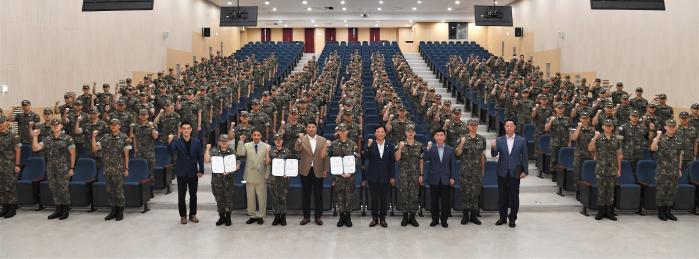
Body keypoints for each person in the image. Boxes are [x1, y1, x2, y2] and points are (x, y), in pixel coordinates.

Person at [31, 118, 76, 220]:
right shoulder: (47, 139)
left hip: (63, 169)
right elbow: (35, 148)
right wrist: (34, 137)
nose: (55, 126)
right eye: (53, 125)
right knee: (54, 189)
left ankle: (65, 209)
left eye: (57, 124)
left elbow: (73, 154)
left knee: (63, 189)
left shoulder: (67, 138)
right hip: (51, 169)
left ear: (61, 126)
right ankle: (58, 209)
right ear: (51, 127)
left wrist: (72, 168)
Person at [92, 118, 132, 221]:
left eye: (115, 124)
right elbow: (95, 149)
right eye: (111, 125)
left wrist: (126, 168)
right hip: (107, 168)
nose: (113, 126)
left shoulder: (124, 138)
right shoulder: (105, 137)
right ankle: (113, 210)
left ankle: (120, 211)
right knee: (109, 191)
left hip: (119, 169)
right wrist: (93, 137)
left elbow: (126, 155)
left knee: (118, 191)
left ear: (119, 125)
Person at [490, 120, 528, 228]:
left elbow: (525, 156)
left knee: (514, 197)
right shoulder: (500, 139)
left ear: (515, 127)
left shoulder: (521, 140)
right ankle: (502, 218)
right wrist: (493, 146)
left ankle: (512, 219)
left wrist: (525, 171)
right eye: (507, 126)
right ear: (504, 127)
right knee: (502, 196)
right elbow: (493, 154)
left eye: (511, 125)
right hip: (502, 171)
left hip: (515, 172)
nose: (509, 127)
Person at [167, 121, 204, 225]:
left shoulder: (197, 142)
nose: (186, 130)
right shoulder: (177, 142)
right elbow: (171, 151)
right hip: (181, 172)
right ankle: (183, 216)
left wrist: (201, 169)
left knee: (193, 195)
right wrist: (169, 142)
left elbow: (200, 157)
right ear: (181, 130)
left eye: (188, 128)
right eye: (184, 128)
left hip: (193, 172)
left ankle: (193, 215)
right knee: (181, 195)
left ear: (191, 129)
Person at [294, 122, 330, 226]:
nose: (311, 129)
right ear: (306, 128)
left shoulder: (322, 140)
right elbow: (296, 149)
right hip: (305, 170)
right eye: (309, 127)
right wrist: (299, 139)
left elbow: (326, 156)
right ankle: (306, 217)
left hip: (318, 170)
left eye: (313, 127)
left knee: (318, 195)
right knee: (306, 194)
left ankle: (318, 217)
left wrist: (325, 170)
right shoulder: (302, 139)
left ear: (316, 128)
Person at [587, 119, 622, 221]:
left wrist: (619, 169)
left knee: (610, 191)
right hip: (601, 169)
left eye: (610, 126)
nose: (608, 127)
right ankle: (601, 212)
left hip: (612, 169)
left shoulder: (616, 139)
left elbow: (619, 155)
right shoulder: (598, 138)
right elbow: (590, 148)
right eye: (606, 125)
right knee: (601, 191)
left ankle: (609, 212)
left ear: (612, 127)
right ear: (602, 127)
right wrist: (594, 138)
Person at [650, 119, 683, 221]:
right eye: (669, 126)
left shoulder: (678, 139)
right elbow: (652, 148)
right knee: (662, 191)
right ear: (665, 127)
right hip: (662, 170)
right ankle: (661, 211)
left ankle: (668, 211)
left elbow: (680, 155)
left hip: (674, 170)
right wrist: (658, 136)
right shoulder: (660, 138)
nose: (671, 128)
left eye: (673, 126)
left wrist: (679, 168)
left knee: (671, 191)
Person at [454, 119, 486, 225]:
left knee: (475, 193)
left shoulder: (482, 139)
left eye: (475, 125)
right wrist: (462, 143)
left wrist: (483, 169)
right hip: (465, 171)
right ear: (467, 126)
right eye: (471, 125)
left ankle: (473, 216)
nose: (473, 127)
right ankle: (465, 215)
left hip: (477, 171)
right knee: (465, 193)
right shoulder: (462, 138)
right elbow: (457, 154)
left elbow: (482, 155)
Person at [236, 129, 271, 225]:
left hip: (261, 175)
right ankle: (252, 215)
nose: (256, 137)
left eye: (258, 135)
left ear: (261, 136)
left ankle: (260, 215)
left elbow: (268, 163)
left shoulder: (267, 146)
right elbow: (240, 153)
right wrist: (241, 141)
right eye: (254, 135)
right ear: (251, 136)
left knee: (262, 197)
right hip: (250, 174)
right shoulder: (246, 145)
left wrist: (267, 175)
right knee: (250, 197)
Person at [424, 129, 457, 228]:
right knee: (434, 201)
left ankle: (444, 220)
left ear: (445, 137)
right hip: (434, 178)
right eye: (437, 135)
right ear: (434, 137)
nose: (439, 137)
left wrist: (452, 177)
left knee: (445, 202)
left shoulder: (450, 150)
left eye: (441, 135)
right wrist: (427, 149)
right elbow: (425, 158)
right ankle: (434, 220)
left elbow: (453, 165)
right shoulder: (431, 149)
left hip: (446, 179)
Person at [204, 134, 239, 227]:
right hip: (217, 181)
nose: (224, 143)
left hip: (228, 180)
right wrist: (207, 149)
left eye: (226, 141)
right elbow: (206, 160)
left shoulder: (232, 152)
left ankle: (228, 217)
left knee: (229, 199)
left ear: (228, 142)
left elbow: (238, 163)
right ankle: (221, 217)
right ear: (219, 142)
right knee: (219, 199)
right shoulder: (214, 151)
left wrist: (233, 169)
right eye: (222, 141)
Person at [329, 124, 359, 227]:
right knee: (340, 196)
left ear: (347, 131)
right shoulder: (333, 144)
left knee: (349, 196)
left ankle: (348, 217)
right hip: (338, 176)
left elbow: (356, 158)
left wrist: (350, 171)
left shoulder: (353, 144)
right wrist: (338, 172)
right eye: (340, 130)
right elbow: (330, 158)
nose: (342, 132)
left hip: (350, 175)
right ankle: (342, 217)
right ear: (338, 132)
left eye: (344, 130)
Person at [394, 124, 423, 227]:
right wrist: (400, 148)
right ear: (405, 133)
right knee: (405, 195)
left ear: (414, 133)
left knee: (414, 195)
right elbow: (397, 159)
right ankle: (405, 216)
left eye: (412, 131)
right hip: (404, 174)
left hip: (415, 174)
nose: (410, 133)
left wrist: (421, 174)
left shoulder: (419, 145)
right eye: (408, 131)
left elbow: (421, 161)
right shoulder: (400, 144)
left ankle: (413, 217)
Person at [268, 133, 293, 226]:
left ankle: (283, 217)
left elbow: (291, 164)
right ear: (274, 141)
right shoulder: (270, 151)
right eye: (276, 140)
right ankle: (276, 216)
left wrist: (288, 174)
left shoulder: (287, 151)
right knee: (274, 198)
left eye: (280, 139)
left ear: (282, 141)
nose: (278, 141)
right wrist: (267, 153)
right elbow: (266, 163)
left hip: (284, 179)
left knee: (283, 198)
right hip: (273, 178)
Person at [0, 115, 21, 219]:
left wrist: (17, 164)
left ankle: (12, 209)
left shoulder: (13, 135)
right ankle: (4, 207)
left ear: (6, 123)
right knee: (1, 187)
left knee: (10, 186)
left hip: (9, 165)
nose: (0, 124)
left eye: (2, 122)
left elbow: (18, 150)